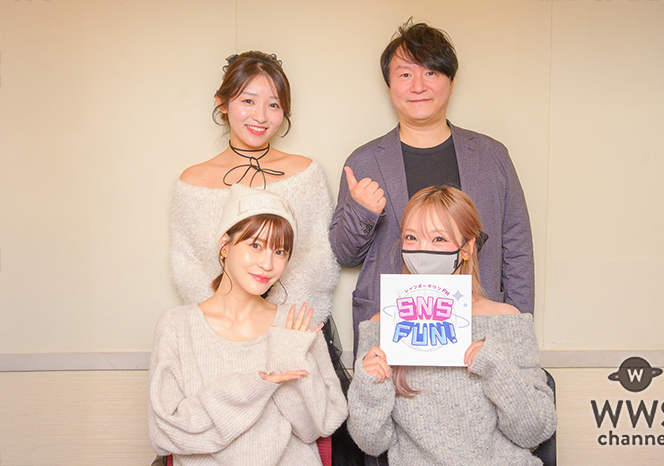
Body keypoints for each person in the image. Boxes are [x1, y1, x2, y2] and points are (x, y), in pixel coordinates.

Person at [329, 20, 535, 354]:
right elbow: (344, 255)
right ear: (389, 86)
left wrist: (518, 332)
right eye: (405, 74)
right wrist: (362, 213)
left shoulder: (491, 155)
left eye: (431, 73)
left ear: (451, 82)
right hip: (393, 333)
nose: (418, 86)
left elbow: (517, 248)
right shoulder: (364, 161)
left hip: (479, 334)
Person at [346, 186, 556, 465]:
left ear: (467, 248)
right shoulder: (381, 327)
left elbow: (535, 432)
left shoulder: (507, 319)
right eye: (411, 237)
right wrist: (369, 385)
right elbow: (371, 443)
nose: (423, 250)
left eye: (438, 239)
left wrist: (496, 366)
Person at [149, 184, 348, 465]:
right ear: (225, 245)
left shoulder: (295, 324)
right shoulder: (177, 326)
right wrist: (254, 387)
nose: (268, 264)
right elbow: (166, 432)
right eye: (256, 245)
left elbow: (317, 427)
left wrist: (288, 356)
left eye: (280, 251)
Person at [171, 51, 339, 325]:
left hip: (294, 326)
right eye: (248, 101)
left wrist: (278, 323)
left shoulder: (306, 173)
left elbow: (317, 257)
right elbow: (187, 266)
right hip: (220, 329)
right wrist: (228, 324)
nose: (260, 116)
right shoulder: (193, 181)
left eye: (273, 105)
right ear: (222, 103)